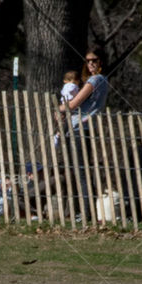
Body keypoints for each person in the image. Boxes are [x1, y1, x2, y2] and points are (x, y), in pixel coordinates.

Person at [58, 47, 109, 220]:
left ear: (101, 61)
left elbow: (72, 104)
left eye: (94, 60)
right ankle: (81, 211)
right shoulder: (102, 80)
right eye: (88, 60)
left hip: (79, 128)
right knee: (80, 171)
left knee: (80, 172)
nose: (91, 63)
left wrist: (59, 108)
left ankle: (86, 213)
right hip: (85, 128)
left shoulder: (95, 80)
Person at [52, 70, 81, 147]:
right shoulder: (72, 86)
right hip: (69, 105)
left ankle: (58, 135)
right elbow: (73, 92)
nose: (73, 83)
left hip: (64, 105)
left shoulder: (65, 86)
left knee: (64, 122)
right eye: (72, 81)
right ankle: (58, 135)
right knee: (67, 122)